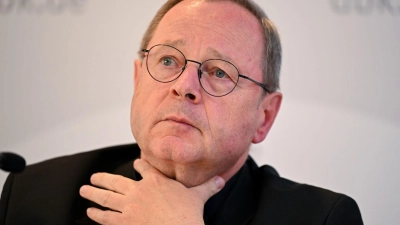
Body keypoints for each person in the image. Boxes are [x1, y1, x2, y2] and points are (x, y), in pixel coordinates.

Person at [0, 0, 364, 224]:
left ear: (264, 116)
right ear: (138, 79)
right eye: (169, 60)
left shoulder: (320, 219)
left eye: (220, 71)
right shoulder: (36, 194)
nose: (184, 85)